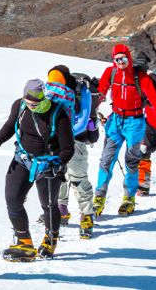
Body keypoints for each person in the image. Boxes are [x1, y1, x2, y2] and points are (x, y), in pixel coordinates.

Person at [0, 79, 74, 261]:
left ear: (43, 99)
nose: (31, 106)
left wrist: (57, 164)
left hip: (48, 163)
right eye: (28, 102)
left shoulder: (58, 113)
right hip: (23, 159)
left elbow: (68, 148)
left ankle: (51, 238)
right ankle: (24, 242)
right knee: (13, 199)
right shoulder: (20, 105)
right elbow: (10, 126)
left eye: (35, 103)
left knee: (48, 204)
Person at [92, 44, 156, 217]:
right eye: (117, 59)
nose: (120, 62)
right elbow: (101, 92)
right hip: (115, 120)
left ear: (129, 58)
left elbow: (153, 99)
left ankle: (129, 198)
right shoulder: (110, 73)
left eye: (123, 59)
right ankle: (99, 198)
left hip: (134, 123)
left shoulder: (140, 76)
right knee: (106, 160)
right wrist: (91, 110)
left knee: (131, 160)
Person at [48, 66, 100, 239]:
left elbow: (84, 119)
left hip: (75, 140)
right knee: (57, 176)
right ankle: (61, 210)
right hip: (56, 140)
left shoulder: (81, 91)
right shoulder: (51, 91)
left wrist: (63, 133)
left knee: (78, 178)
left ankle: (87, 215)